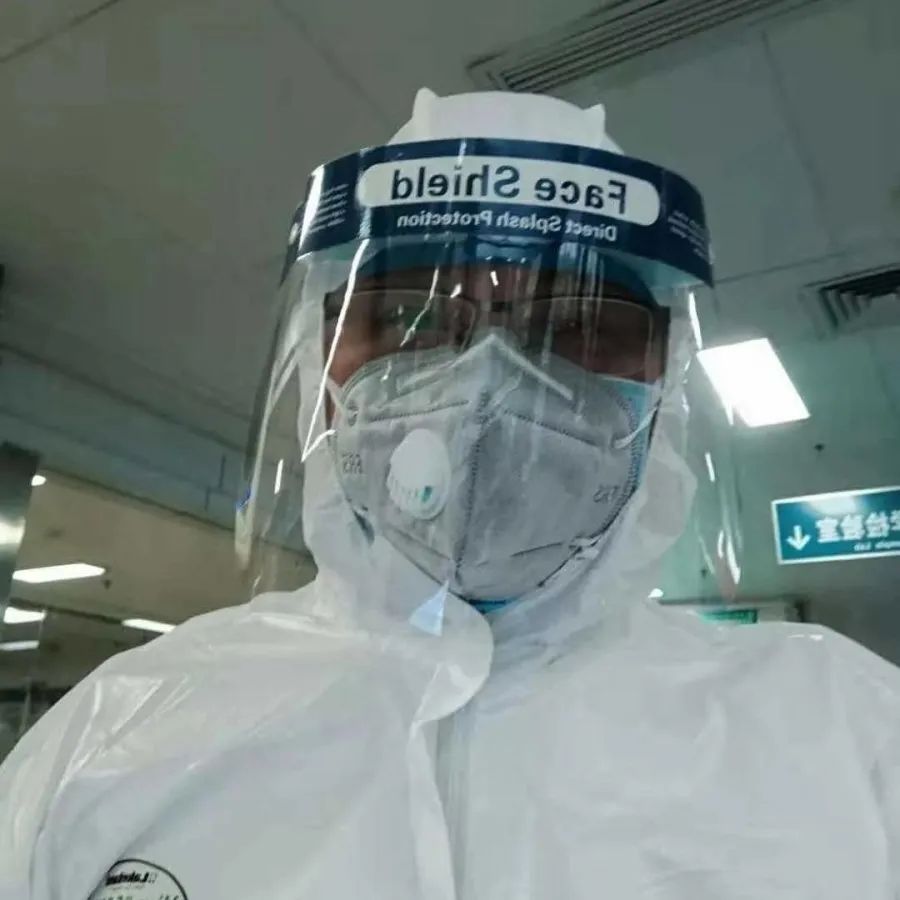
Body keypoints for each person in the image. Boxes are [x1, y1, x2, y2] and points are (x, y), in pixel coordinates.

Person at [2, 88, 900, 900]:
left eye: (581, 324)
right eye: (410, 316)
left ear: (664, 382)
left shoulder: (848, 732)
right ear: (320, 364)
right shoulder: (119, 733)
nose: (486, 387)